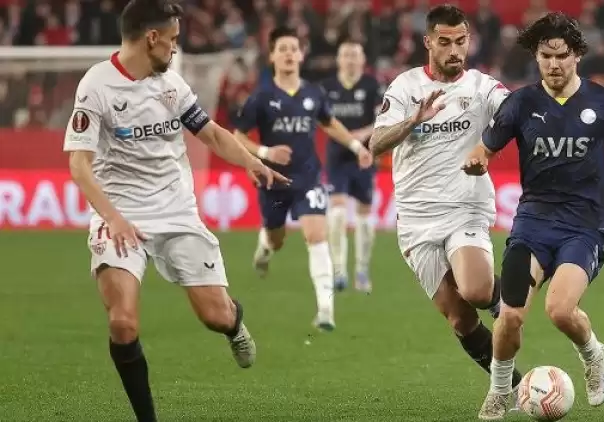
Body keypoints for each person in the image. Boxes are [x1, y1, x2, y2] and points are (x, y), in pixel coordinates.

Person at [62, 1, 288, 421]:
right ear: (152, 38)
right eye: (173, 39)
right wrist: (112, 217)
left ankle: (234, 322)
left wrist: (252, 162)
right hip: (120, 214)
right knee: (123, 324)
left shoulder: (170, 84)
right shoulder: (96, 86)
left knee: (215, 316)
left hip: (176, 209)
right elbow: (79, 164)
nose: (175, 47)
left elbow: (211, 133)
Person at [462, 12, 604, 420]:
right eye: (546, 56)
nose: (554, 64)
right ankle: (500, 390)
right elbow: (484, 149)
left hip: (584, 228)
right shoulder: (521, 103)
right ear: (536, 57)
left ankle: (593, 354)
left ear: (577, 55)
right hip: (531, 226)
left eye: (561, 56)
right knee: (510, 316)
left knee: (559, 310)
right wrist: (476, 160)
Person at [369, 4, 523, 397]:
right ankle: (517, 387)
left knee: (474, 290)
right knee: (460, 320)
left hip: (465, 207)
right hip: (416, 219)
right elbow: (376, 144)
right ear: (428, 42)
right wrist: (413, 121)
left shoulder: (482, 87)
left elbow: (516, 113)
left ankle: (506, 303)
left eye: (461, 41)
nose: (455, 50)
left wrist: (495, 144)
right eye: (445, 42)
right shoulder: (405, 87)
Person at [233, 27, 373, 331]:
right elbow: (237, 136)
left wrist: (356, 146)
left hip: (308, 177)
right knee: (276, 239)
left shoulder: (314, 93)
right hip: (273, 180)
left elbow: (330, 124)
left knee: (316, 236)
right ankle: (265, 246)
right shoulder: (261, 96)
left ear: (301, 55)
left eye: (293, 48)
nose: (288, 54)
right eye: (282, 49)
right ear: (272, 56)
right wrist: (265, 152)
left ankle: (325, 310)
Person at [320, 40, 382, 293]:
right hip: (337, 157)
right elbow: (323, 122)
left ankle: (362, 270)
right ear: (338, 59)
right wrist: (347, 138)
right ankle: (339, 270)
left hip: (364, 156)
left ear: (362, 59)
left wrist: (362, 135)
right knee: (336, 213)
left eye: (355, 55)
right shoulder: (327, 87)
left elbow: (382, 119)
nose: (350, 59)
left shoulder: (371, 86)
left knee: (364, 215)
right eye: (346, 55)